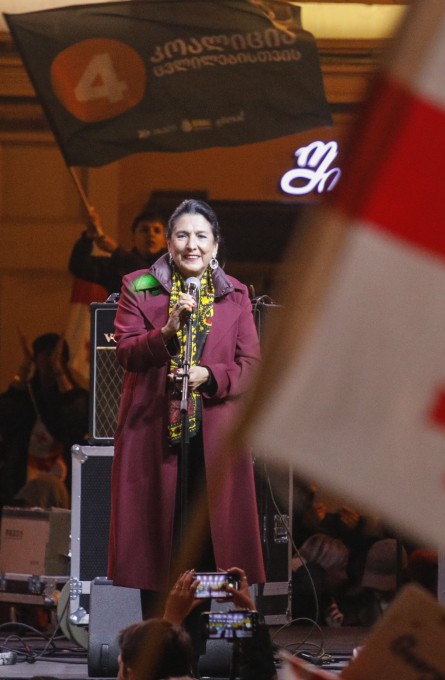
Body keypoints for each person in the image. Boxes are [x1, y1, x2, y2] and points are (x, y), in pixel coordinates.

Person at [108, 198, 264, 603]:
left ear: (215, 245)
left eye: (201, 236)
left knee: (213, 551)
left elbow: (252, 366)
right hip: (154, 437)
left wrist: (210, 376)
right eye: (182, 235)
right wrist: (166, 333)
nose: (191, 244)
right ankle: (161, 651)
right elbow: (126, 351)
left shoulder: (236, 295)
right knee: (160, 552)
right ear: (169, 244)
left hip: (214, 442)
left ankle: (206, 653)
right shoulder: (140, 285)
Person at [0, 331, 87, 505]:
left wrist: (58, 372)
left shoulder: (75, 396)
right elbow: (6, 413)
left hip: (66, 486)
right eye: (44, 355)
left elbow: (78, 420)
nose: (48, 361)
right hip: (21, 482)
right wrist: (25, 366)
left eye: (54, 356)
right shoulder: (26, 395)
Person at [69, 208, 167, 296]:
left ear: (165, 240)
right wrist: (88, 237)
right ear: (133, 237)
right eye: (144, 230)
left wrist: (117, 251)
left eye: (157, 231)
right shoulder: (116, 265)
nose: (150, 234)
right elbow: (79, 265)